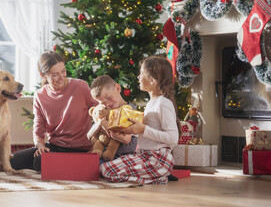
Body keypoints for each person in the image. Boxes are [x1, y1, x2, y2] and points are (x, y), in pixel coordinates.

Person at [10, 51, 98, 171]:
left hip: (82, 149)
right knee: (12, 161)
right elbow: (39, 128)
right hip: (55, 148)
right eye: (55, 75)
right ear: (43, 75)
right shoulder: (40, 95)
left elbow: (99, 111)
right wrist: (40, 146)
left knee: (41, 164)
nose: (61, 78)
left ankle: (65, 166)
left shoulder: (80, 87)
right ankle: (64, 166)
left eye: (63, 71)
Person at [99, 56, 179, 184]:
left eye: (142, 73)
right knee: (104, 169)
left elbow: (173, 138)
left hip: (158, 159)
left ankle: (157, 179)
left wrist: (143, 129)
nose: (138, 77)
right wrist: (128, 130)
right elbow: (147, 134)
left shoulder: (163, 103)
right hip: (143, 155)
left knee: (108, 171)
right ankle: (155, 177)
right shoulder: (151, 103)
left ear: (152, 80)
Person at [89, 75, 138, 164]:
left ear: (118, 88)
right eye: (102, 103)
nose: (108, 104)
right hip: (103, 156)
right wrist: (99, 122)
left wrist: (106, 125)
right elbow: (89, 135)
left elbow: (126, 139)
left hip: (123, 158)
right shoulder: (104, 112)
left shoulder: (129, 109)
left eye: (109, 98)